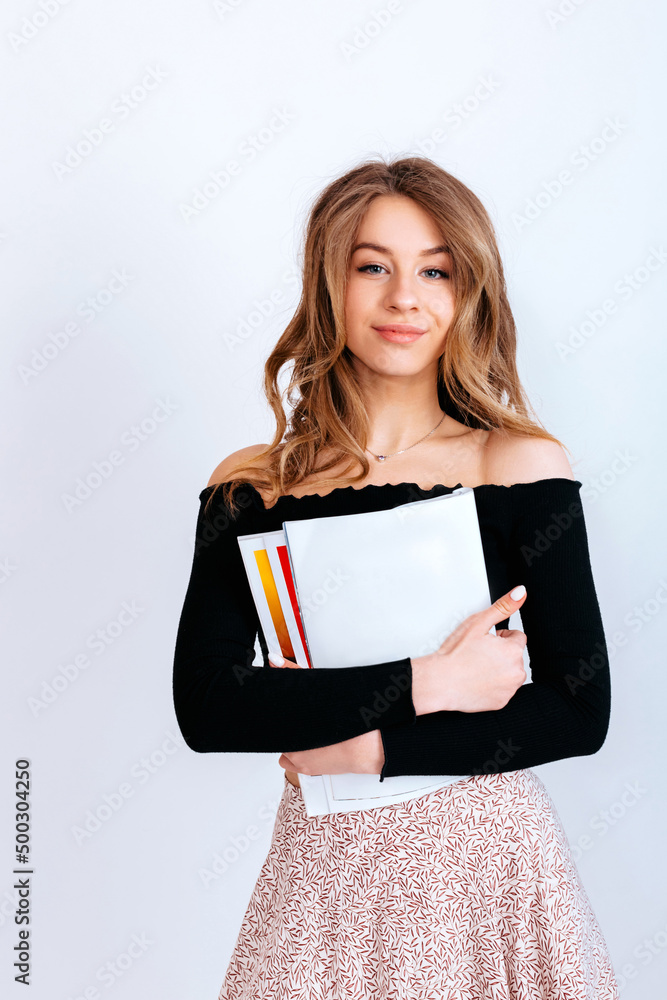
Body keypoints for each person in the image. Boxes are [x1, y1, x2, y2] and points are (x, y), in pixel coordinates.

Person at [172, 156, 620, 998]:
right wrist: (426, 681)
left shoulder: (516, 464)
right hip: (325, 874)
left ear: (468, 292)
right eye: (372, 265)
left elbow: (577, 710)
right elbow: (207, 704)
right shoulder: (254, 484)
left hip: (487, 870)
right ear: (328, 282)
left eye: (435, 271)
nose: (403, 297)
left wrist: (370, 748)